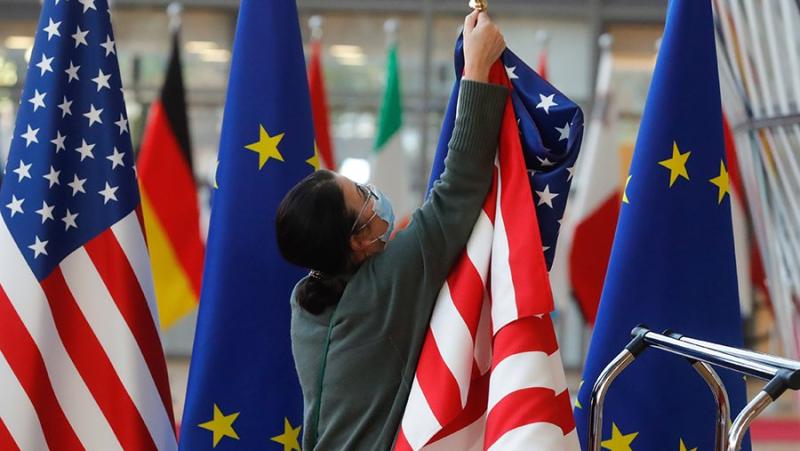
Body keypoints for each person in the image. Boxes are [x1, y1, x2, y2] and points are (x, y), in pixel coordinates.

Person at [276, 10, 507, 450]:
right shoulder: (383, 287)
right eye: (362, 196)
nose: (373, 194)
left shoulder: (305, 298)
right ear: (359, 241)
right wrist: (477, 69)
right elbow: (457, 189)